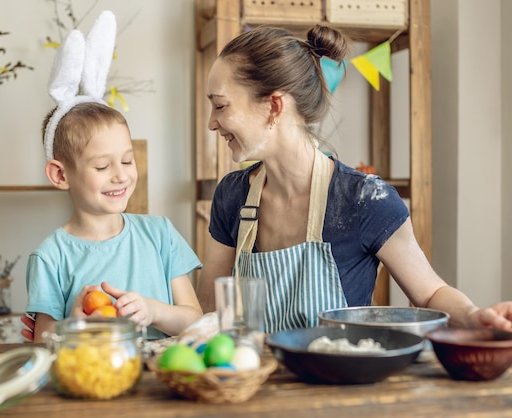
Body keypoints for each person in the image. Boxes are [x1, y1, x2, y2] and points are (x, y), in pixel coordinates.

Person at [193, 24, 512, 333]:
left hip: (340, 385)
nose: (211, 123)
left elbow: (429, 294)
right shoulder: (232, 196)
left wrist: (473, 316)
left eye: (220, 106)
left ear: (275, 106)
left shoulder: (366, 200)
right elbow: (210, 312)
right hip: (252, 384)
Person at [24, 11, 202, 343]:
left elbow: (195, 320)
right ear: (60, 174)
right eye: (103, 167)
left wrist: (154, 310)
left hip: (164, 388)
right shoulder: (50, 257)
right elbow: (43, 344)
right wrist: (73, 326)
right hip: (95, 385)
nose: (121, 176)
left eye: (127, 160)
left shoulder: (160, 234)